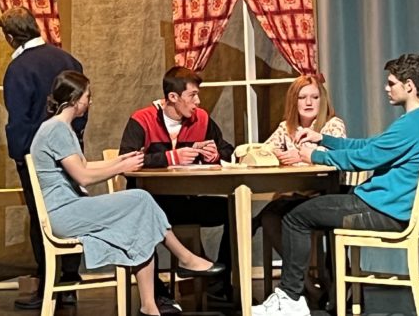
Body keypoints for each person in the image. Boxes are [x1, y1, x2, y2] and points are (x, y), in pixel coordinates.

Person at [252, 53, 419, 316]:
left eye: (391, 83)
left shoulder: (412, 124)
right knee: (295, 211)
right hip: (385, 207)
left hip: (381, 210)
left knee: (295, 218)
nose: (386, 88)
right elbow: (368, 145)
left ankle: (290, 298)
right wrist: (324, 140)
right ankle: (306, 293)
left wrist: (315, 155)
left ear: (409, 86)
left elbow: (365, 159)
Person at [30, 70, 225, 316]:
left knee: (139, 220)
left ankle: (150, 306)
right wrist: (121, 168)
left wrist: (121, 160)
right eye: (88, 96)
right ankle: (185, 258)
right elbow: (83, 176)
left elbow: (85, 165)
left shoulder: (61, 128)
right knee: (141, 198)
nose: (90, 101)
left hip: (72, 208)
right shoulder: (56, 129)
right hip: (64, 213)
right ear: (75, 99)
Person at [119, 66, 234, 312]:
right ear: (173, 97)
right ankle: (158, 296)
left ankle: (219, 286)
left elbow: (227, 150)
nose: (198, 102)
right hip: (151, 205)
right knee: (142, 217)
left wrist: (215, 154)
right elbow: (126, 160)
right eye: (192, 95)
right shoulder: (142, 120)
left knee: (232, 211)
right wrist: (171, 157)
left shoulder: (201, 119)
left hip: (185, 202)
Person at [1, 7, 87, 310]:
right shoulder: (68, 59)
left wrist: (20, 155)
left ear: (10, 37)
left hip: (35, 155)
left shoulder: (19, 68)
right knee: (72, 211)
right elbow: (82, 106)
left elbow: (19, 119)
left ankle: (48, 284)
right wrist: (75, 140)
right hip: (70, 150)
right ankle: (70, 282)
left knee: (42, 219)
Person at [252, 75, 345, 305]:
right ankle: (307, 285)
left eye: (314, 97)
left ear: (322, 100)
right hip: (294, 195)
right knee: (269, 217)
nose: (309, 102)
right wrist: (277, 154)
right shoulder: (286, 127)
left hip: (325, 195)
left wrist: (302, 157)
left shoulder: (332, 124)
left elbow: (335, 156)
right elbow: (264, 150)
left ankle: (315, 287)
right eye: (302, 97)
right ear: (294, 101)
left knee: (287, 215)